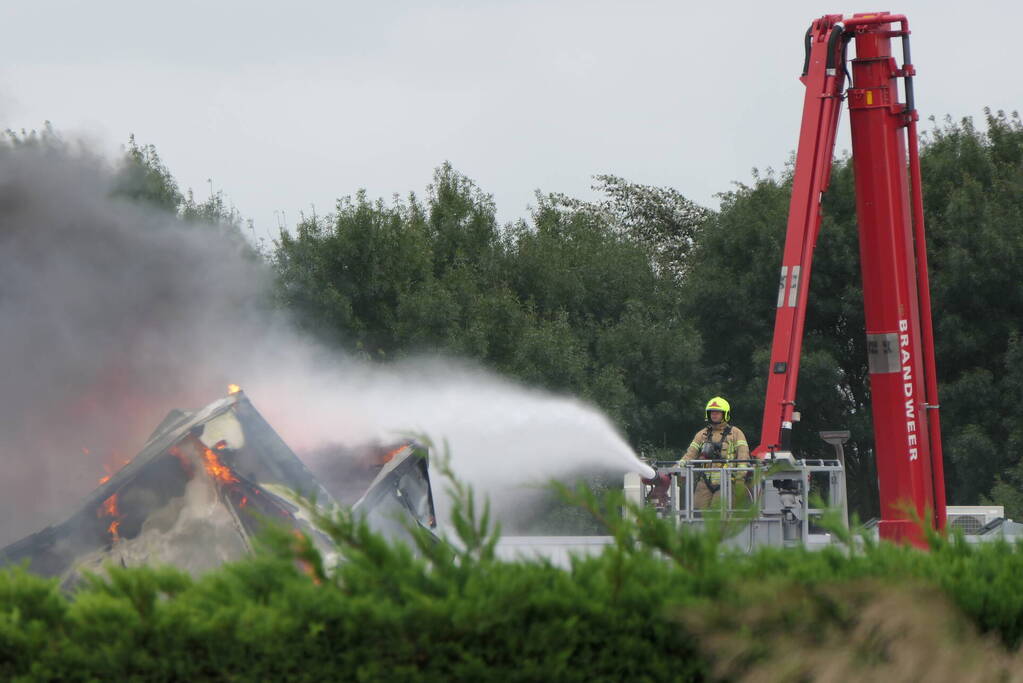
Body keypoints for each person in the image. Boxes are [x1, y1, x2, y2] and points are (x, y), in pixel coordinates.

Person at [680, 396, 750, 510]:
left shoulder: (736, 433)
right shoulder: (702, 434)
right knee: (697, 511)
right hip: (704, 481)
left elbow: (743, 457)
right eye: (712, 412)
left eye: (717, 412)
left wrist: (740, 480)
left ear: (725, 414)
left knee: (718, 512)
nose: (714, 415)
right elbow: (690, 455)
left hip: (727, 481)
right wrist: (677, 467)